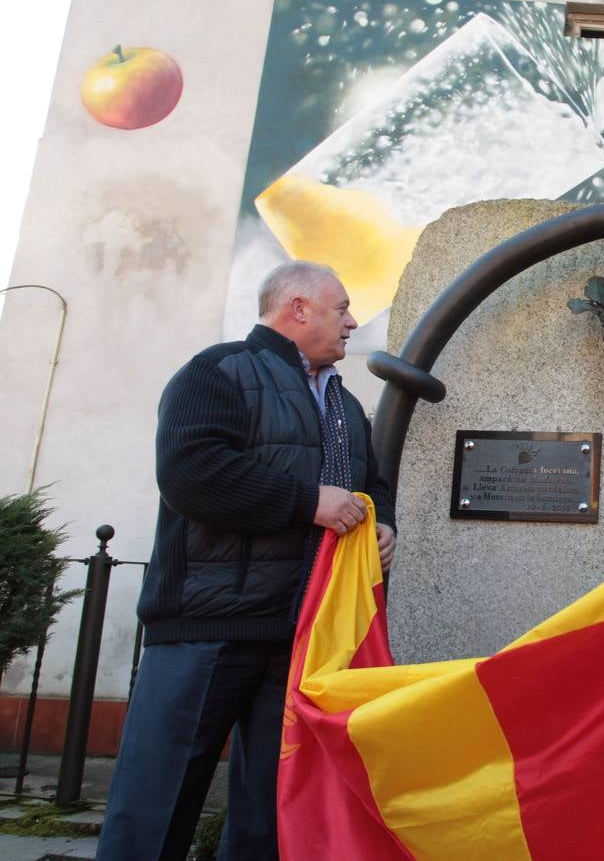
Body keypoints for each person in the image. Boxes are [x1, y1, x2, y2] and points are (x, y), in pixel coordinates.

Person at [98, 262, 397, 860]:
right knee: (156, 803)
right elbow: (192, 474)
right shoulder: (219, 370)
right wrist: (308, 502)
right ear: (298, 308)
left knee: (271, 810)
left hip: (301, 637)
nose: (352, 322)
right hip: (208, 628)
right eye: (341, 308)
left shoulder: (343, 404)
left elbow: (371, 481)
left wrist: (383, 521)